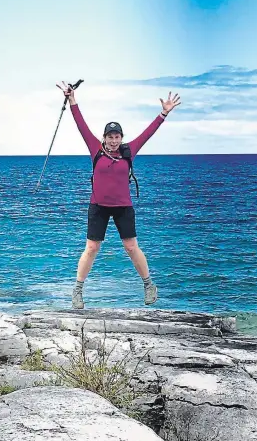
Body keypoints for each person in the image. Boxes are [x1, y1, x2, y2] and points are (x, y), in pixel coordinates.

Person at [56, 81, 181, 309]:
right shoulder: (95, 148)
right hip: (98, 206)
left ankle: (149, 285)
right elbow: (81, 125)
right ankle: (77, 291)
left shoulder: (129, 151)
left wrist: (163, 113)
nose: (114, 140)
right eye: (110, 136)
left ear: (121, 138)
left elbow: (148, 134)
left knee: (131, 247)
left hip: (123, 206)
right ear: (104, 138)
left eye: (117, 136)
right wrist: (72, 100)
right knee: (92, 248)